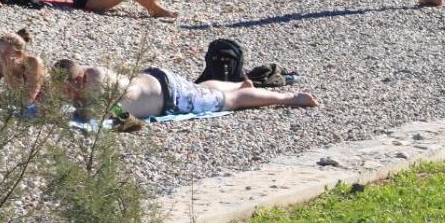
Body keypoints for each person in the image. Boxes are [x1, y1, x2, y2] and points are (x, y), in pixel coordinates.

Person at [50, 60, 317, 126]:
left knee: (230, 102)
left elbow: (94, 115)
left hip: (172, 97)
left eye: (66, 88)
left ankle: (289, 98)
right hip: (159, 80)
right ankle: (240, 85)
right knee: (204, 90)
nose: (65, 93)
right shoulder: (92, 73)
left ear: (78, 79)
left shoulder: (94, 82)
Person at [0, 30, 48, 105]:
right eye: (0, 52)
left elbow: (27, 101)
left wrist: (9, 75)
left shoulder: (33, 63)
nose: (2, 56)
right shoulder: (1, 62)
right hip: (18, 101)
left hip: (45, 104)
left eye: (6, 52)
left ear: (20, 54)